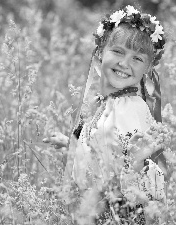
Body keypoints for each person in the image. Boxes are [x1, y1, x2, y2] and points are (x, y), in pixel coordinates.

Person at [43, 5, 166, 224]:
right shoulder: (108, 103)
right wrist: (72, 145)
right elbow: (103, 152)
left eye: (137, 58)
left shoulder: (132, 108)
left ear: (148, 67)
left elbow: (128, 165)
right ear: (100, 51)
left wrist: (137, 161)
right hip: (102, 205)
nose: (124, 63)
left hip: (122, 210)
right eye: (118, 51)